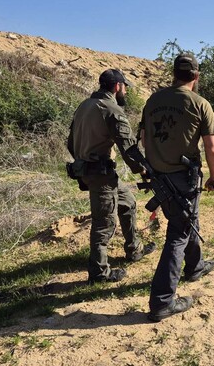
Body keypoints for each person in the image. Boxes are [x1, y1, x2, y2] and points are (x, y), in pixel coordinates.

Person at [140, 53, 214, 322]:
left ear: (173, 74)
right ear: (196, 77)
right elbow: (210, 147)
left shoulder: (153, 100)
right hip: (182, 178)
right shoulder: (200, 104)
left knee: (187, 220)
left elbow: (143, 137)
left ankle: (195, 266)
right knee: (178, 232)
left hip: (158, 176)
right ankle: (162, 301)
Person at [67, 69, 155, 284]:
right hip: (99, 173)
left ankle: (135, 249)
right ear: (117, 87)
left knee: (127, 202)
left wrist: (83, 158)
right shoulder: (111, 109)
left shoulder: (84, 105)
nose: (125, 91)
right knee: (104, 223)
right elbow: (128, 148)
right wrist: (145, 170)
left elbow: (70, 141)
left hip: (93, 170)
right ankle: (99, 274)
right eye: (124, 87)